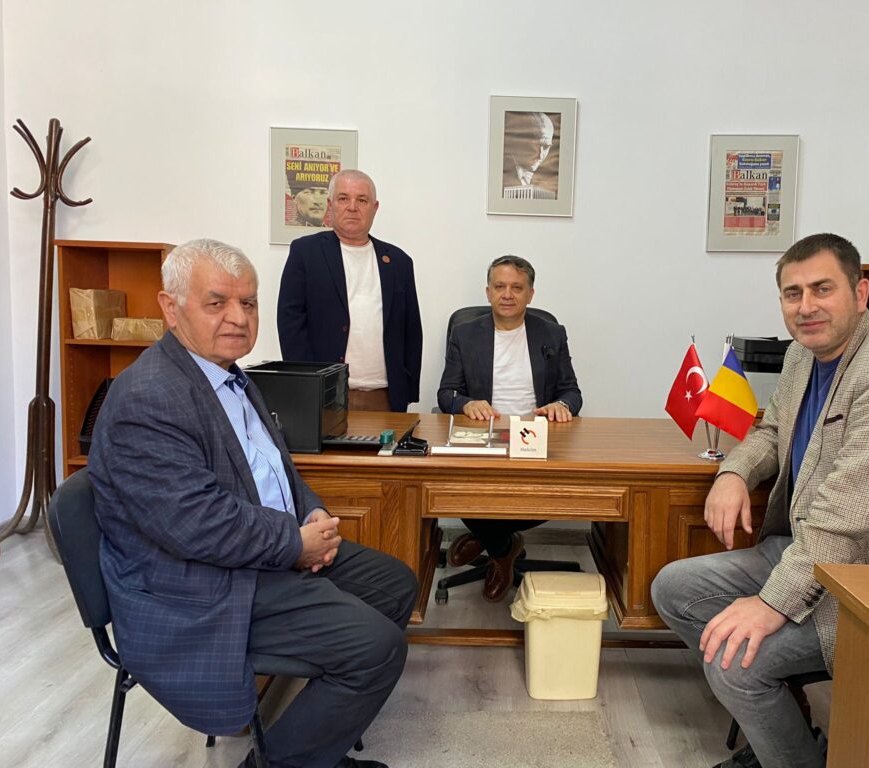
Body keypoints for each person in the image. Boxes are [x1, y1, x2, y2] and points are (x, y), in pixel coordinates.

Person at [88, 239, 417, 768]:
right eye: (216, 303)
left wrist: (310, 511)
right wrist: (294, 544)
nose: (239, 318)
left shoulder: (231, 375)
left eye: (248, 303)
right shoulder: (149, 396)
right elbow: (196, 524)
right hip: (195, 586)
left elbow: (275, 467)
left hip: (252, 552)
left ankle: (316, 742)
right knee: (375, 648)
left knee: (394, 583)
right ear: (171, 308)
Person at [651, 233, 869, 768]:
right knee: (673, 588)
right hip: (808, 550)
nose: (806, 306)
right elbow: (772, 429)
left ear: (860, 293)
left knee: (735, 666)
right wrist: (733, 472)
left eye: (822, 288)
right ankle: (789, 730)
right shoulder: (801, 354)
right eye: (792, 293)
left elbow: (846, 518)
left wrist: (771, 605)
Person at [437, 254, 582, 601]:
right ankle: (503, 549)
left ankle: (487, 537)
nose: (507, 294)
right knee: (456, 485)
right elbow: (446, 394)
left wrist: (561, 406)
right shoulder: (465, 334)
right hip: (485, 435)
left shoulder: (551, 333)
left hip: (535, 437)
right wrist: (465, 404)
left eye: (517, 287)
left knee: (558, 495)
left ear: (530, 294)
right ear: (488, 291)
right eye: (499, 286)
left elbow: (572, 392)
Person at [278, 169, 422, 412]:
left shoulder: (399, 262)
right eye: (343, 198)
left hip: (385, 397)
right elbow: (290, 322)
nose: (352, 207)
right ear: (330, 205)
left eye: (362, 200)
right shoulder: (306, 253)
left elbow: (412, 330)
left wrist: (407, 389)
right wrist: (307, 385)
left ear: (375, 208)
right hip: (325, 395)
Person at [502, 111, 557, 200]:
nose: (540, 155)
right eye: (534, 145)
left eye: (546, 147)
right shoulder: (500, 175)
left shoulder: (550, 184)